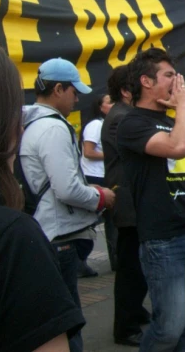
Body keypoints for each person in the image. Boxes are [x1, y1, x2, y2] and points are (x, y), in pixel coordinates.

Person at [0, 39, 85, 352]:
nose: (20, 132)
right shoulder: (8, 239)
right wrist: (100, 199)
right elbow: (66, 186)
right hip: (54, 236)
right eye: (13, 115)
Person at [117, 48, 185, 351]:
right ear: (146, 82)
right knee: (168, 329)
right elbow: (177, 148)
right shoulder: (131, 122)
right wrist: (184, 108)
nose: (177, 82)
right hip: (164, 240)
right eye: (168, 76)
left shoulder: (174, 119)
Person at [20, 57, 115, 352]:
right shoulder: (52, 128)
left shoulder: (34, 123)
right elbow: (67, 189)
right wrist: (101, 197)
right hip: (60, 235)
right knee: (68, 322)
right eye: (74, 92)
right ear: (58, 89)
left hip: (48, 230)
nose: (77, 99)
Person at [101, 65, 150, 347]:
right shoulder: (122, 118)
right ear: (125, 91)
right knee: (130, 266)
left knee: (138, 264)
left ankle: (136, 311)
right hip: (128, 201)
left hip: (134, 200)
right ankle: (125, 327)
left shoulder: (123, 115)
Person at [77, 93, 114, 275]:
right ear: (100, 107)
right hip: (94, 178)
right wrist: (113, 155)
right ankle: (79, 261)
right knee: (90, 222)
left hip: (105, 176)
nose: (113, 105)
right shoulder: (95, 125)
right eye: (109, 102)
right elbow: (89, 152)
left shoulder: (107, 124)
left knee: (110, 221)